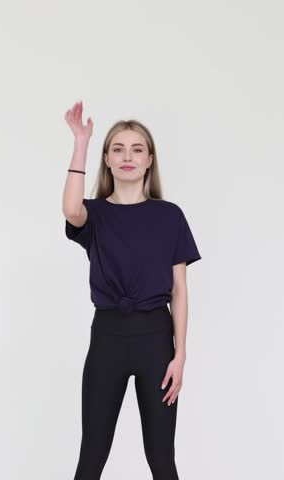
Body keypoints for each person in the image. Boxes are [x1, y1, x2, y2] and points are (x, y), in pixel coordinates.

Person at [62, 100, 201, 480]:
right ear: (106, 159)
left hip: (156, 338)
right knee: (92, 455)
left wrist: (181, 354)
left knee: (161, 456)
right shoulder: (95, 214)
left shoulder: (169, 215)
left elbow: (179, 290)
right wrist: (81, 142)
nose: (128, 156)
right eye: (118, 149)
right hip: (107, 336)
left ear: (149, 159)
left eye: (137, 149)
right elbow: (71, 209)